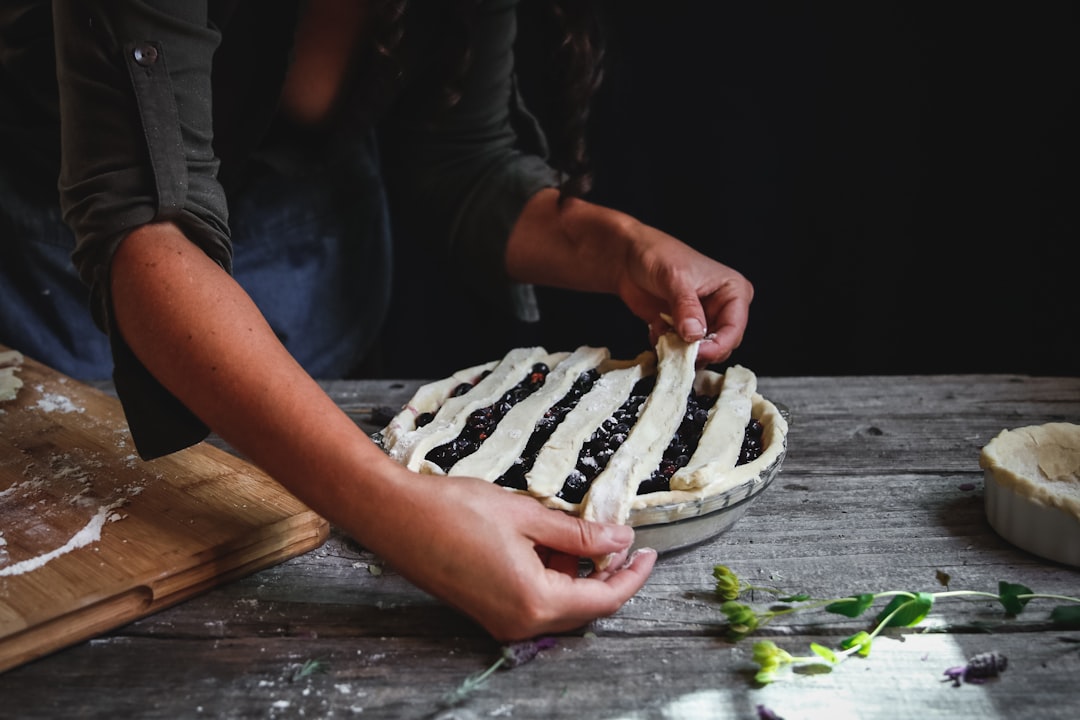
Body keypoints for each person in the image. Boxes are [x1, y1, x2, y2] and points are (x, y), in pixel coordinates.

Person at [0, 1, 753, 641]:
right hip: (67, 270)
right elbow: (143, 231)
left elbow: (462, 158)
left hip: (314, 251)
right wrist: (400, 514)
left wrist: (620, 250)